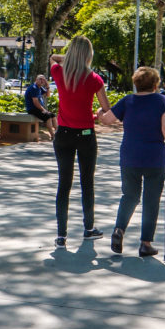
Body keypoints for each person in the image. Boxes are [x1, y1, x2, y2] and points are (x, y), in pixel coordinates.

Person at [97, 67, 165, 258]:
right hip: (155, 157)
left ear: (136, 84)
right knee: (151, 200)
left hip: (130, 156)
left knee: (129, 196)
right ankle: (145, 244)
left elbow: (107, 120)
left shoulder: (128, 101)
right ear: (156, 84)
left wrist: (99, 113)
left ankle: (119, 230)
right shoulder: (163, 101)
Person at [49, 36, 112, 248]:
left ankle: (61, 235)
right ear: (88, 55)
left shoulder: (59, 73)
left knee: (64, 184)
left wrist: (70, 58)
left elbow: (52, 57)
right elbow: (106, 107)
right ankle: (88, 228)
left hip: (63, 134)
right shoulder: (95, 79)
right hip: (86, 134)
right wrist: (97, 113)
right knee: (87, 182)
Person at [25, 74, 56, 139]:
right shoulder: (34, 88)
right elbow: (35, 102)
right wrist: (43, 110)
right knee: (48, 117)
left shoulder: (39, 88)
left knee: (53, 115)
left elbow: (48, 95)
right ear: (36, 80)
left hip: (38, 109)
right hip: (32, 109)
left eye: (43, 79)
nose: (42, 81)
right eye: (40, 79)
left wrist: (47, 86)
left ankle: (58, 133)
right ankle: (53, 135)